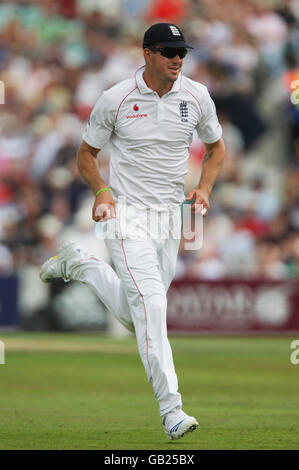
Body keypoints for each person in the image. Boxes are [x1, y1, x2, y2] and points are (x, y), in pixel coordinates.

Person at [40, 23, 225, 440]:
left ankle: (80, 264)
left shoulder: (197, 97)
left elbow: (216, 148)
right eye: (168, 52)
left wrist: (205, 187)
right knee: (153, 307)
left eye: (182, 53)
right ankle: (171, 410)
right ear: (147, 53)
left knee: (134, 312)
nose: (177, 59)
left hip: (170, 220)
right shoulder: (116, 99)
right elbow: (86, 154)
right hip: (126, 216)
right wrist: (102, 191)